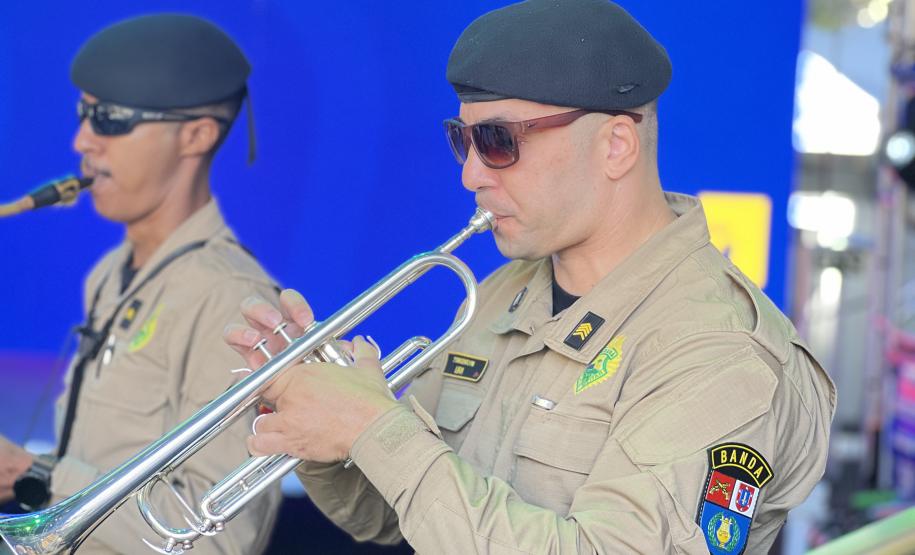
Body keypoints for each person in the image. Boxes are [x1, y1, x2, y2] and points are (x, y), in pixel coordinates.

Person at [226, 1, 836, 553]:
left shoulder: (718, 349)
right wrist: (317, 418)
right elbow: (390, 517)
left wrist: (374, 427)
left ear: (617, 145)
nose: (470, 175)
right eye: (461, 140)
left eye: (497, 141)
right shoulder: (504, 295)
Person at [0, 14, 282, 555]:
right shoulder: (109, 274)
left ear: (197, 135)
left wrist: (35, 473)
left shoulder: (231, 300)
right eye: (84, 114)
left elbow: (220, 541)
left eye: (108, 119)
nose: (82, 140)